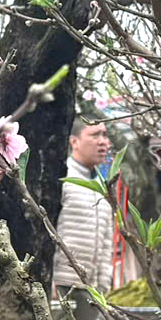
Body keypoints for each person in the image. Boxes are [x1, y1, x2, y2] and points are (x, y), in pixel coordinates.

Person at [52, 116, 122, 292]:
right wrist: (51, 281)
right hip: (62, 284)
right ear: (74, 142)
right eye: (95, 135)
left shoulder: (103, 186)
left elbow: (107, 241)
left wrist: (104, 285)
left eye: (105, 135)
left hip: (93, 288)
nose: (103, 142)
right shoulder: (61, 178)